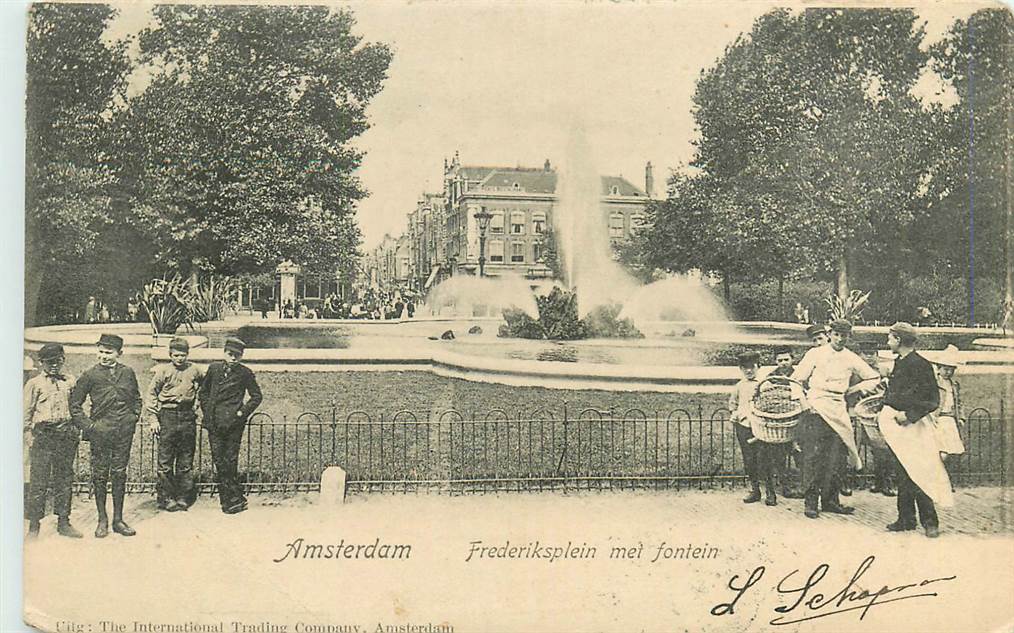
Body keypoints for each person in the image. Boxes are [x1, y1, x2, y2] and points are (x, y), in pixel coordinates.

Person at [791, 319, 881, 519]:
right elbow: (796, 380)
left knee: (836, 458)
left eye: (845, 335)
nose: (840, 339)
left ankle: (831, 501)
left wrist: (853, 389)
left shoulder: (850, 358)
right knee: (814, 457)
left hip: (838, 409)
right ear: (830, 333)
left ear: (849, 336)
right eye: (837, 334)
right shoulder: (815, 354)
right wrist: (804, 403)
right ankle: (811, 502)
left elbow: (874, 377)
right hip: (816, 407)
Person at [878, 322, 953, 538]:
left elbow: (931, 400)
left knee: (919, 471)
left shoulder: (921, 365)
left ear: (899, 340)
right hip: (897, 428)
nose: (888, 342)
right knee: (903, 472)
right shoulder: (899, 363)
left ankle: (930, 522)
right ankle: (906, 519)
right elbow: (897, 393)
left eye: (890, 338)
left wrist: (909, 415)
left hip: (914, 426)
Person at [70, 334, 142, 537]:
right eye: (101, 351)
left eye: (109, 352)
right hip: (100, 432)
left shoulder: (127, 373)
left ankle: (118, 520)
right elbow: (75, 404)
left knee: (119, 473)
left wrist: (133, 417)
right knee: (100, 474)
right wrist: (90, 427)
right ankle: (102, 519)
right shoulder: (90, 375)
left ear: (120, 353)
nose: (104, 356)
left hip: (123, 432)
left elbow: (137, 397)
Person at [24, 343, 83, 538]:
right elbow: (26, 413)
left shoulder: (70, 381)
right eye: (49, 363)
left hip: (65, 434)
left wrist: (75, 430)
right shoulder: (34, 384)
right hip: (43, 435)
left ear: (63, 360)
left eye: (58, 361)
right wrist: (28, 436)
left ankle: (64, 521)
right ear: (41, 363)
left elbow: (75, 408)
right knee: (38, 480)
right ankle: (34, 525)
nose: (54, 366)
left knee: (64, 478)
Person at [199, 337, 262, 514]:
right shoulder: (214, 369)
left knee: (230, 459)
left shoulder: (245, 373)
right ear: (224, 353)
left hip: (233, 423)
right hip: (214, 422)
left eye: (237, 355)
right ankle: (231, 496)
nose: (233, 358)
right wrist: (207, 410)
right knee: (219, 459)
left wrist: (241, 413)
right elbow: (203, 392)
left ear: (241, 356)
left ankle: (231, 500)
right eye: (230, 354)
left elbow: (256, 396)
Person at [147, 336, 204, 512]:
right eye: (176, 355)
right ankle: (166, 497)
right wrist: (153, 418)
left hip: (187, 416)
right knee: (165, 459)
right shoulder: (163, 371)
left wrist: (196, 404)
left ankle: (183, 496)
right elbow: (151, 394)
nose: (179, 358)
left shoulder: (195, 370)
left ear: (188, 354)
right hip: (168, 415)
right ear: (170, 355)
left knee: (186, 458)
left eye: (183, 355)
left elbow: (203, 386)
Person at [729, 351, 768, 504]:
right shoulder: (739, 386)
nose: (749, 370)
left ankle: (770, 491)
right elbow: (733, 404)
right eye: (745, 368)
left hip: (761, 425)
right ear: (741, 369)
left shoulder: (765, 384)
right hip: (744, 426)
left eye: (752, 367)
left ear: (758, 366)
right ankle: (755, 490)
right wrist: (734, 414)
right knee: (749, 458)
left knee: (765, 458)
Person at [768, 346, 804, 499]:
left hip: (799, 418)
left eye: (786, 360)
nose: (783, 363)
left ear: (792, 359)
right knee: (779, 454)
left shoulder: (800, 374)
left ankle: (804, 484)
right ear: (775, 361)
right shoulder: (771, 377)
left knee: (801, 453)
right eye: (780, 360)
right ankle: (785, 485)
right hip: (781, 419)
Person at [928, 344, 965, 488]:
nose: (948, 372)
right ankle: (936, 480)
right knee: (941, 452)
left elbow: (959, 402)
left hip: (950, 420)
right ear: (939, 368)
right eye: (945, 368)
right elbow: (928, 400)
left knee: (951, 452)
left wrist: (960, 417)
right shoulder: (934, 383)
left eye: (951, 369)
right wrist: (930, 415)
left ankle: (942, 480)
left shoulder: (954, 385)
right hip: (938, 419)